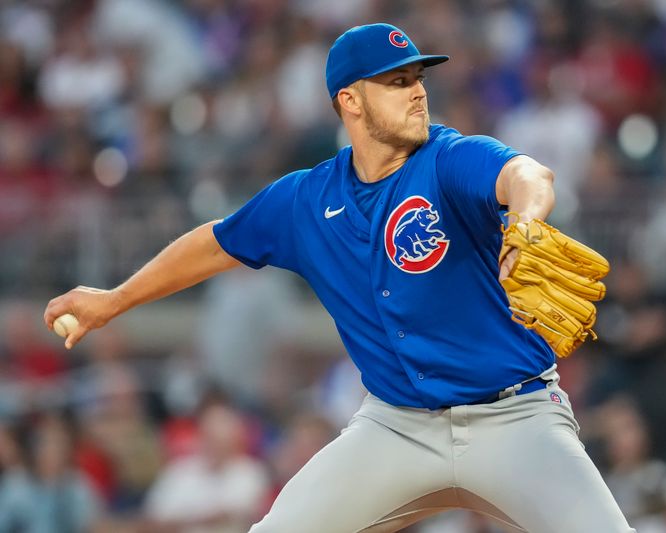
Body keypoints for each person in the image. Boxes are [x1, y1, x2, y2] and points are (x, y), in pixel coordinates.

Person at [45, 23, 634, 532]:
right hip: (397, 426)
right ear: (350, 101)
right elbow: (214, 244)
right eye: (398, 81)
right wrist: (115, 299)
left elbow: (528, 174)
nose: (419, 92)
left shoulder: (448, 159)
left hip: (516, 416)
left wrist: (526, 220)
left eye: (419, 78)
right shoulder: (304, 199)